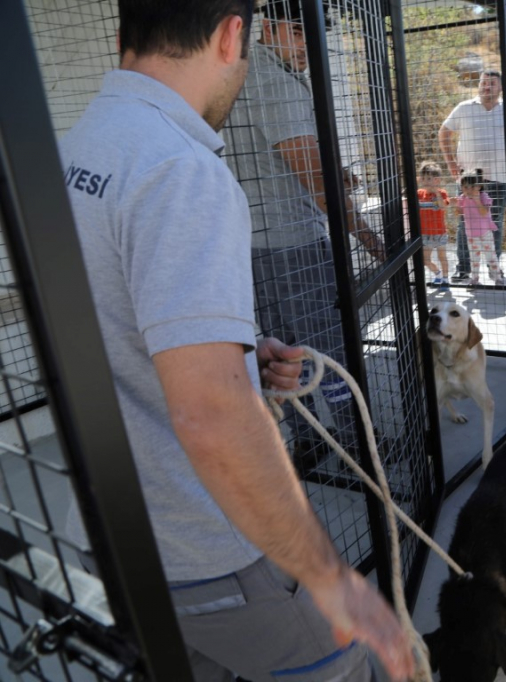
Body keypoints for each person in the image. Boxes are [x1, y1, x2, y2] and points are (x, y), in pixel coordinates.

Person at [58, 2, 414, 680]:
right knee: (351, 667)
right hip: (205, 549)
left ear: (121, 36)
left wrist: (242, 353)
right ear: (230, 34)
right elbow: (211, 415)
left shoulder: (76, 148)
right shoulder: (181, 169)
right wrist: (329, 576)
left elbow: (118, 317)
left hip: (102, 535)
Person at [225, 0, 384, 458]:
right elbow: (313, 178)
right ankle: (358, 445)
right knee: (327, 347)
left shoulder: (239, 74)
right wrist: (372, 239)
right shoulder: (277, 83)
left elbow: (288, 159)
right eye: (299, 32)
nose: (308, 46)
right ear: (269, 27)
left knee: (279, 350)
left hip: (251, 243)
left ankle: (306, 438)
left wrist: (339, 175)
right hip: (294, 241)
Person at [439, 70, 506, 280]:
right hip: (468, 180)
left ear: (501, 88)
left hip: (499, 178)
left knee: (495, 223)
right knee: (465, 222)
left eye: (491, 83)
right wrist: (451, 163)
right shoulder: (464, 108)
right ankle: (463, 269)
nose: (486, 87)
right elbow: (443, 133)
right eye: (483, 83)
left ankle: (494, 269)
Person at [456, 169, 506, 287]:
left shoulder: (483, 196)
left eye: (472, 187)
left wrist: (476, 200)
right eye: (465, 187)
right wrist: (457, 207)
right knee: (474, 258)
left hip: (485, 232)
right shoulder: (462, 198)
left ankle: (497, 277)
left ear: (479, 186)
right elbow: (459, 214)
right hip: (471, 234)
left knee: (490, 256)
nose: (468, 190)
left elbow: (484, 212)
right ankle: (474, 279)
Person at [417, 161, 451, 289]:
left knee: (442, 257)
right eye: (424, 178)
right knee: (425, 259)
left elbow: (443, 206)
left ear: (437, 180)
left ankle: (446, 279)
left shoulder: (442, 193)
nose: (425, 181)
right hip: (425, 234)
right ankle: (438, 274)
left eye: (429, 179)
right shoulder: (419, 193)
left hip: (439, 232)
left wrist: (436, 193)